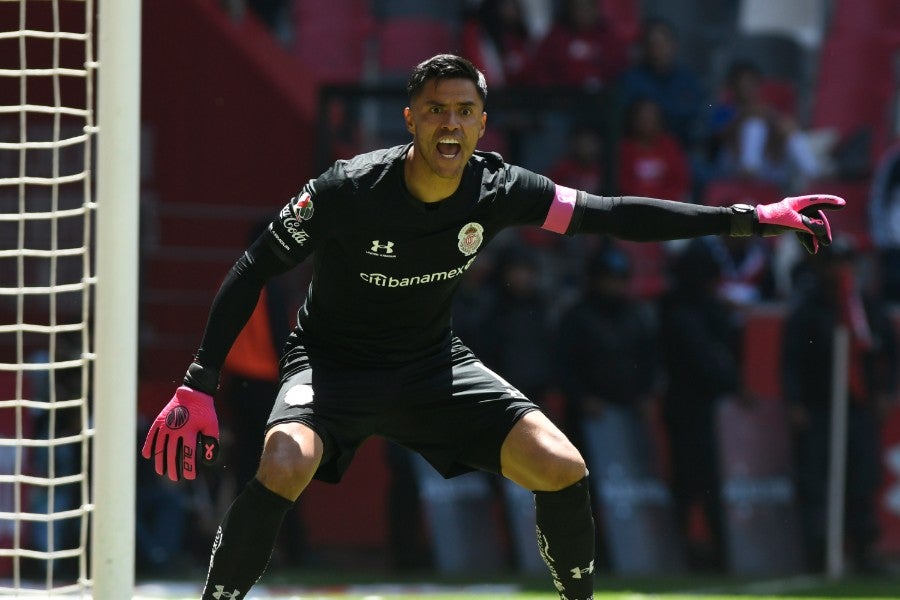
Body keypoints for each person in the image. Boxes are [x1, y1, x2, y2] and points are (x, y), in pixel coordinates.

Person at [140, 54, 844, 600]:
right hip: (331, 367)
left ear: (482, 123)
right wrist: (198, 381)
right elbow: (252, 265)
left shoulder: (502, 189)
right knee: (284, 463)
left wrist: (751, 217)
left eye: (465, 112)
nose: (451, 125)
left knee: (562, 466)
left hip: (431, 367)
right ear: (411, 119)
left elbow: (610, 213)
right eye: (437, 110)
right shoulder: (346, 189)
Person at [781, 238, 897, 573]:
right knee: (816, 479)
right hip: (818, 405)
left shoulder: (865, 307)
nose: (841, 270)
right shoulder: (809, 308)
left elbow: (888, 351)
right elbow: (791, 359)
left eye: (847, 262)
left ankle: (864, 549)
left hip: (858, 405)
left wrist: (885, 391)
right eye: (835, 262)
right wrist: (795, 402)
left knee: (862, 477)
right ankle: (819, 552)